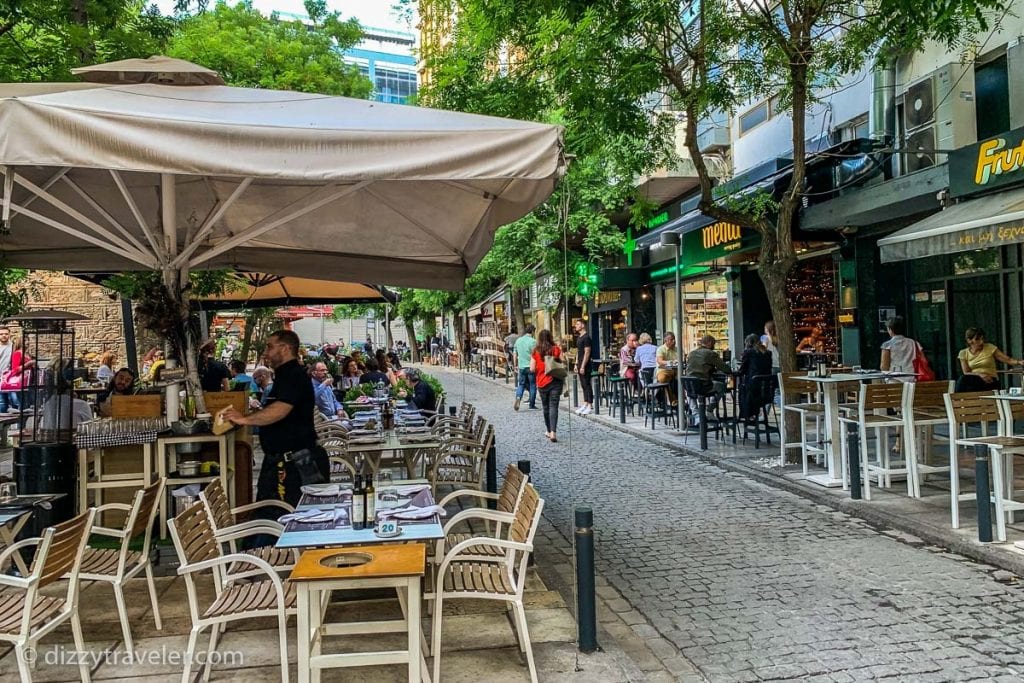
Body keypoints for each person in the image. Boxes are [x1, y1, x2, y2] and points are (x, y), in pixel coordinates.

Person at [223, 330, 328, 509]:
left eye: (270, 347)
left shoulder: (294, 375)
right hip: (283, 461)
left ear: (285, 348)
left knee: (293, 516)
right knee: (271, 516)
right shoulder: (283, 375)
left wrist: (244, 419)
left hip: (295, 464)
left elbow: (279, 410)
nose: (265, 352)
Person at [955, 327, 1023, 392]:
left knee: (966, 382)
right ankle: (956, 400)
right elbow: (966, 372)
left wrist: (1019, 362)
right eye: (978, 339)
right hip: (974, 380)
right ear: (969, 341)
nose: (981, 342)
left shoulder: (990, 347)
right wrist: (980, 375)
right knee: (963, 380)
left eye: (982, 339)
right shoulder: (963, 353)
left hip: (990, 380)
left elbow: (1008, 360)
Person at [531, 329, 564, 442]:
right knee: (553, 406)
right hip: (555, 381)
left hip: (542, 382)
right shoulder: (555, 349)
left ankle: (549, 431)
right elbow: (563, 362)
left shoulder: (536, 351)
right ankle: (553, 432)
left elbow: (531, 368)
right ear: (550, 337)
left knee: (546, 407)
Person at [737, 334, 774, 419]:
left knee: (742, 389)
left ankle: (748, 415)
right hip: (766, 388)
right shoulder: (768, 353)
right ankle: (756, 414)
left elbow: (742, 370)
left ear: (748, 343)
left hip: (754, 388)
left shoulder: (748, 352)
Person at [513, 324, 538, 411]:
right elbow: (535, 355)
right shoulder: (533, 341)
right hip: (531, 366)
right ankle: (531, 404)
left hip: (521, 366)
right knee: (532, 385)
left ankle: (519, 397)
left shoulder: (518, 340)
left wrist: (515, 364)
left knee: (521, 384)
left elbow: (515, 353)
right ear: (533, 331)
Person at [574, 319, 594, 415]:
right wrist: (576, 363)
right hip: (580, 363)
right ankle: (585, 403)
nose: (576, 326)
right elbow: (579, 351)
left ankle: (590, 404)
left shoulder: (586, 337)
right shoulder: (579, 337)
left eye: (578, 324)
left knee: (587, 384)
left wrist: (582, 366)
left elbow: (587, 352)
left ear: (582, 325)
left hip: (585, 364)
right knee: (583, 384)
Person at [656, 332, 679, 404]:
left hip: (676, 370)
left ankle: (684, 399)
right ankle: (672, 399)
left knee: (683, 379)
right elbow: (660, 361)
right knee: (662, 378)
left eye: (674, 339)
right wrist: (671, 362)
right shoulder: (661, 349)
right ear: (666, 341)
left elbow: (682, 359)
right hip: (665, 370)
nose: (674, 341)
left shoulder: (677, 349)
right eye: (671, 340)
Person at [0, 326, 15, 413]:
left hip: (11, 378)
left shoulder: (13, 347)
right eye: (1, 334)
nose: (4, 336)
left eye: (6, 334)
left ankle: (17, 425)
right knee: (2, 402)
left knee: (14, 401)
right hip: (0, 378)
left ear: (9, 335)